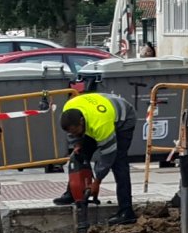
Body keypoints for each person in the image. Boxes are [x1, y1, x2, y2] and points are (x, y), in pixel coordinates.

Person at [50, 91, 136, 225]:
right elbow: (71, 133)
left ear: (82, 122)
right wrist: (76, 144)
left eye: (75, 131)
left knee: (119, 163)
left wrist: (97, 181)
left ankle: (127, 211)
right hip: (99, 110)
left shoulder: (100, 125)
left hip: (123, 118)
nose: (73, 134)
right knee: (79, 154)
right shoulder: (69, 109)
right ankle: (72, 193)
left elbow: (108, 155)